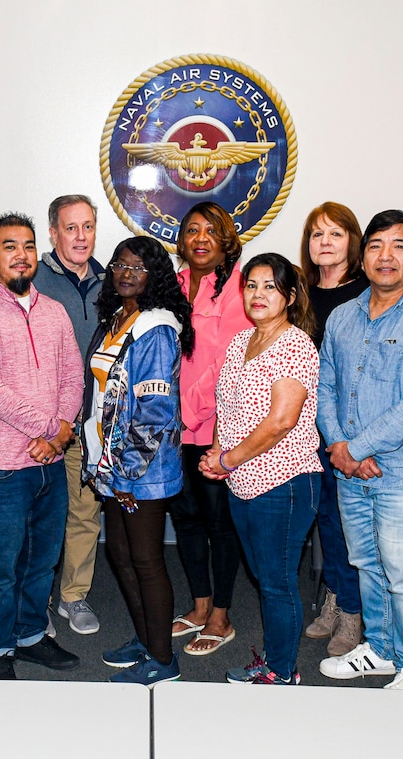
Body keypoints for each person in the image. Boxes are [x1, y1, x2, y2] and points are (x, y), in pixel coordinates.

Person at [318, 210, 403, 690]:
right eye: (376, 245)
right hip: (349, 470)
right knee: (367, 565)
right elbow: (326, 386)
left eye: (399, 246)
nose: (386, 256)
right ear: (364, 255)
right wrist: (340, 448)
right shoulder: (342, 316)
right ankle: (379, 650)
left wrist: (353, 448)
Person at [0, 213, 83, 680]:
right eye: (10, 246)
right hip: (0, 464)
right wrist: (51, 427)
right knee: (2, 564)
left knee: (42, 558)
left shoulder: (54, 311)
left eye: (28, 246)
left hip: (51, 460)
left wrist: (62, 432)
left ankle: (30, 636)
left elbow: (73, 375)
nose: (21, 255)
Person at [200, 254, 322, 686]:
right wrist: (217, 454)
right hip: (243, 484)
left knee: (276, 583)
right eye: (251, 285)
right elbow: (227, 408)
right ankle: (275, 660)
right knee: (265, 576)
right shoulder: (240, 342)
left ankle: (283, 672)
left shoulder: (295, 345)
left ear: (289, 296)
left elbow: (281, 421)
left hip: (285, 484)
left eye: (270, 286)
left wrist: (227, 459)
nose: (258, 294)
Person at [82, 236, 193, 685]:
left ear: (155, 276)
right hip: (111, 465)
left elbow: (155, 411)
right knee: (122, 556)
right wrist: (104, 465)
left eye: (137, 267)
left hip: (142, 471)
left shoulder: (157, 327)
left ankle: (164, 660)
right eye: (119, 265)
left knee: (146, 560)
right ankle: (147, 641)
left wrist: (126, 471)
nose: (126, 273)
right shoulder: (118, 318)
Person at [169, 201, 251, 656]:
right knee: (185, 518)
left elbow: (230, 359)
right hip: (172, 428)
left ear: (226, 239)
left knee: (220, 523)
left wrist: (190, 409)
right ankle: (199, 605)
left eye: (211, 230)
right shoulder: (174, 284)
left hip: (218, 427)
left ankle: (221, 614)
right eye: (192, 230)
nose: (201, 238)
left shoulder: (240, 286)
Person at [31, 194, 106, 636]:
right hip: (41, 424)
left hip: (89, 424)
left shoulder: (111, 280)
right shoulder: (32, 277)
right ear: (53, 233)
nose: (80, 236)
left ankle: (73, 596)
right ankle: (36, 599)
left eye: (88, 227)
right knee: (39, 514)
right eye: (71, 228)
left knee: (84, 513)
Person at [298, 202, 369, 657]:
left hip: (345, 427)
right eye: (317, 234)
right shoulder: (300, 292)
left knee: (348, 526)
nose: (324, 242)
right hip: (303, 425)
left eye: (335, 234)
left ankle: (352, 612)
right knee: (325, 520)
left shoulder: (364, 294)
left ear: (352, 242)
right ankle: (333, 599)